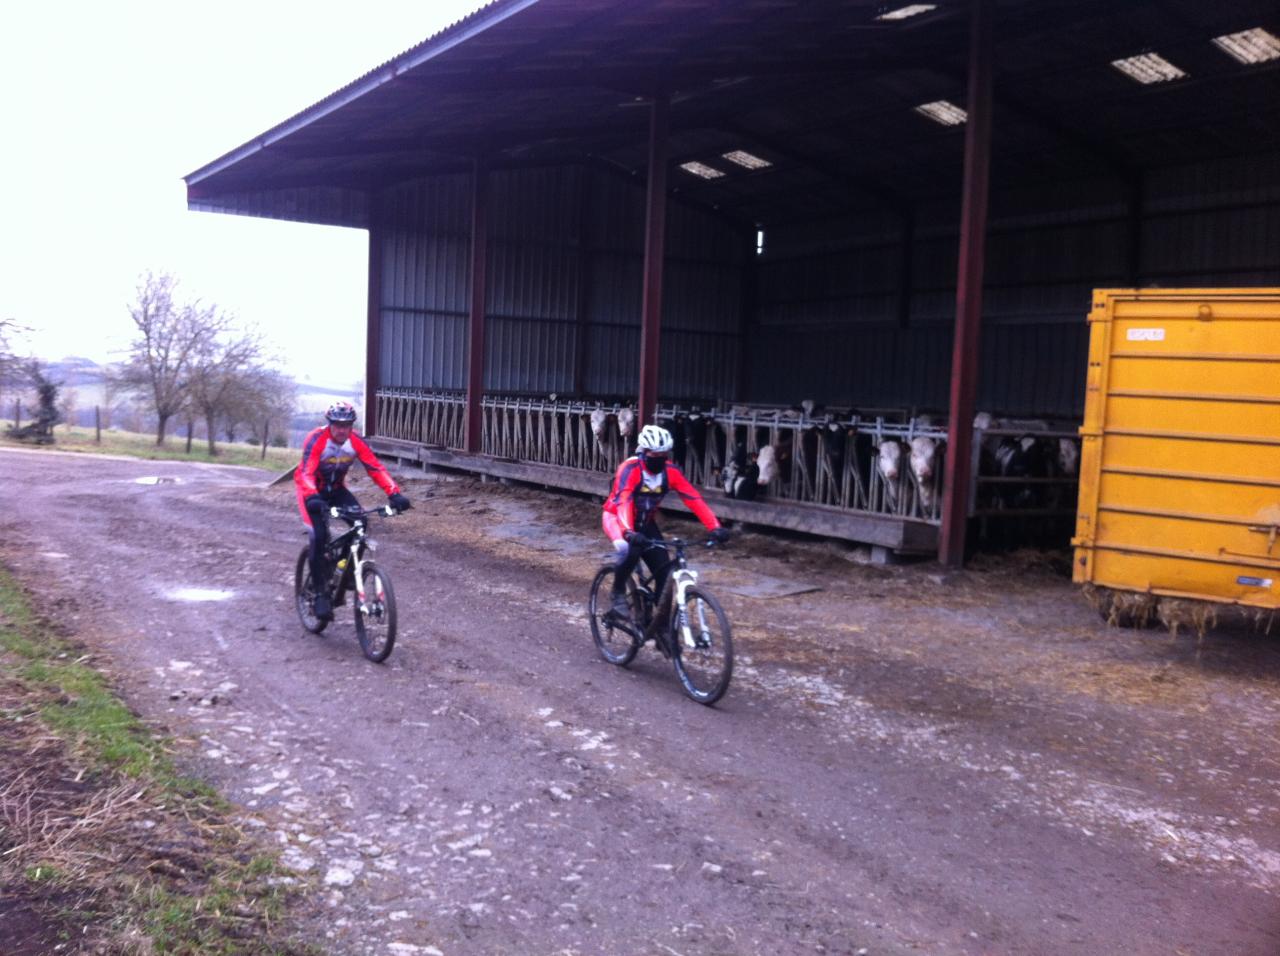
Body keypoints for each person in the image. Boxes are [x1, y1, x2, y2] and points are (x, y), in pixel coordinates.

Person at [295, 401, 410, 620]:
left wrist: (394, 493)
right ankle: (319, 594)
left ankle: (346, 571)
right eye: (337, 425)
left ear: (352, 425)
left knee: (361, 523)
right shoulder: (317, 439)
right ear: (330, 424)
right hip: (311, 492)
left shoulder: (356, 441)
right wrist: (312, 496)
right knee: (318, 536)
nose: (342, 430)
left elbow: (375, 468)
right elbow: (306, 473)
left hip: (337, 489)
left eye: (346, 425)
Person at [602, 424, 729, 620]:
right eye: (655, 455)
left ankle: (659, 625)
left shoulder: (670, 471)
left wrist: (715, 527)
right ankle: (617, 593)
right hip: (617, 518)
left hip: (645, 522)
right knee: (628, 549)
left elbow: (693, 498)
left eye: (664, 455)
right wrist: (628, 531)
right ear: (644, 452)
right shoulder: (630, 469)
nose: (660, 459)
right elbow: (624, 500)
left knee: (665, 571)